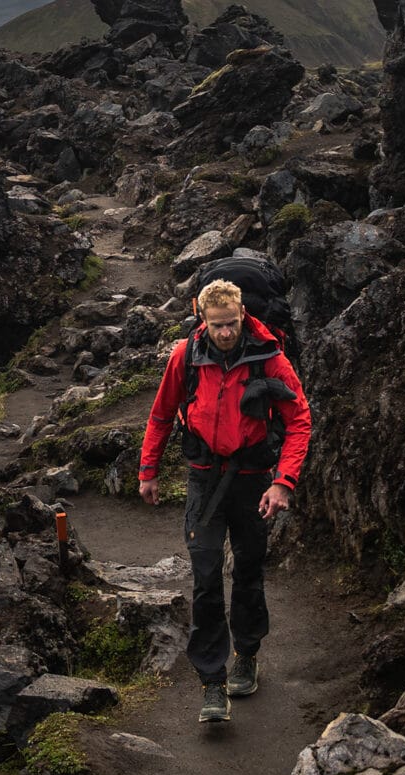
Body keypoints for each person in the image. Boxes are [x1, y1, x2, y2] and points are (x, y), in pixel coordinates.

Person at [138, 279, 311, 723]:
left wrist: (284, 482)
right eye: (217, 326)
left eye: (232, 324)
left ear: (242, 315)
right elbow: (161, 413)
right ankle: (212, 683)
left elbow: (299, 420)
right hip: (204, 479)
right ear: (202, 319)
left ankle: (247, 654)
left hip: (254, 480)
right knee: (206, 574)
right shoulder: (185, 356)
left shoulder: (269, 357)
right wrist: (148, 471)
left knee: (250, 569)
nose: (226, 333)